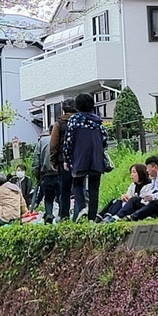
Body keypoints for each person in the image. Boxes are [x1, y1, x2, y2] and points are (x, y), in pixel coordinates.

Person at [62, 92, 108, 221]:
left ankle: (82, 207)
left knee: (77, 184)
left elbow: (68, 141)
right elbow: (104, 138)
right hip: (95, 158)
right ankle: (92, 218)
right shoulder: (97, 120)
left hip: (79, 158)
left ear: (77, 106)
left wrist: (66, 159)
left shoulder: (74, 120)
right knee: (94, 188)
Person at [106, 156, 158, 221]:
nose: (147, 170)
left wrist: (153, 196)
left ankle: (131, 217)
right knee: (131, 200)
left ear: (155, 167)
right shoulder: (154, 178)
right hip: (149, 203)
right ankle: (111, 217)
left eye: (148, 168)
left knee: (155, 203)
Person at [49, 98, 76, 220]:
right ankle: (79, 214)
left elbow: (53, 144)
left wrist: (53, 160)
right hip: (79, 160)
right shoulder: (80, 121)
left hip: (63, 161)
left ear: (63, 109)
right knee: (79, 189)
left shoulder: (59, 123)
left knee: (64, 190)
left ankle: (64, 216)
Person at [32, 127, 59, 223]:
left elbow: (36, 159)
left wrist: (37, 174)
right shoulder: (61, 139)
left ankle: (49, 214)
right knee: (62, 196)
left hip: (46, 174)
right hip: (60, 173)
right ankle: (62, 216)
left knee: (48, 197)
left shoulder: (42, 141)